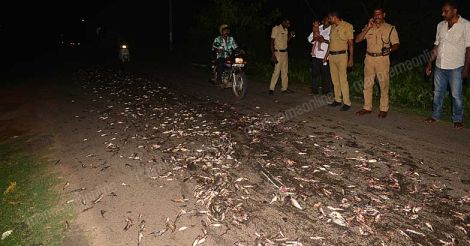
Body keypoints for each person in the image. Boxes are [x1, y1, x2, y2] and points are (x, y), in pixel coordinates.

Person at [425, 0, 470, 129]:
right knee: (438, 92)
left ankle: (457, 119)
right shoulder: (440, 25)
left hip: (456, 66)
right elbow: (436, 45)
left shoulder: (466, 25)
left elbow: (468, 48)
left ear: (454, 11)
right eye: (442, 11)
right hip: (440, 65)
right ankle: (435, 116)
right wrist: (429, 63)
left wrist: (466, 68)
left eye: (446, 11)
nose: (443, 13)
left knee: (456, 94)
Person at [355, 7, 400, 118]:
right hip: (369, 58)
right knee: (367, 84)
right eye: (375, 15)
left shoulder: (390, 28)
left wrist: (389, 49)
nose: (377, 17)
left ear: (384, 15)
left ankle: (383, 109)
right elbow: (357, 40)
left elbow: (396, 44)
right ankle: (367, 107)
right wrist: (367, 28)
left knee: (383, 84)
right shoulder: (369, 27)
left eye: (379, 14)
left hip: (382, 60)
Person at [325, 11, 354, 111]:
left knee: (343, 80)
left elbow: (350, 44)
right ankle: (337, 99)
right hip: (332, 56)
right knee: (334, 80)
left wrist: (351, 58)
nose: (328, 20)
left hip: (342, 56)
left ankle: (347, 102)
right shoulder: (332, 27)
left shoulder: (347, 26)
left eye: (329, 18)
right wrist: (326, 55)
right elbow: (330, 43)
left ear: (334, 17)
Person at [269, 17, 295, 95]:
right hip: (278, 52)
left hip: (285, 53)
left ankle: (284, 88)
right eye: (287, 23)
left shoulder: (286, 30)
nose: (289, 25)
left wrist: (291, 36)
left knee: (285, 72)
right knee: (276, 71)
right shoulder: (276, 28)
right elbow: (271, 42)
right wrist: (273, 54)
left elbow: (286, 41)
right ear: (283, 22)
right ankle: (271, 89)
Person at [307, 16, 332, 95]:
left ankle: (326, 92)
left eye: (327, 19)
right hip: (315, 55)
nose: (325, 21)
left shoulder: (332, 29)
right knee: (315, 74)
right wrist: (315, 39)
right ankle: (314, 91)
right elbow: (309, 39)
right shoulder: (319, 27)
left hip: (325, 56)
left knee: (326, 75)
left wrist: (324, 40)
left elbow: (333, 42)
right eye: (324, 19)